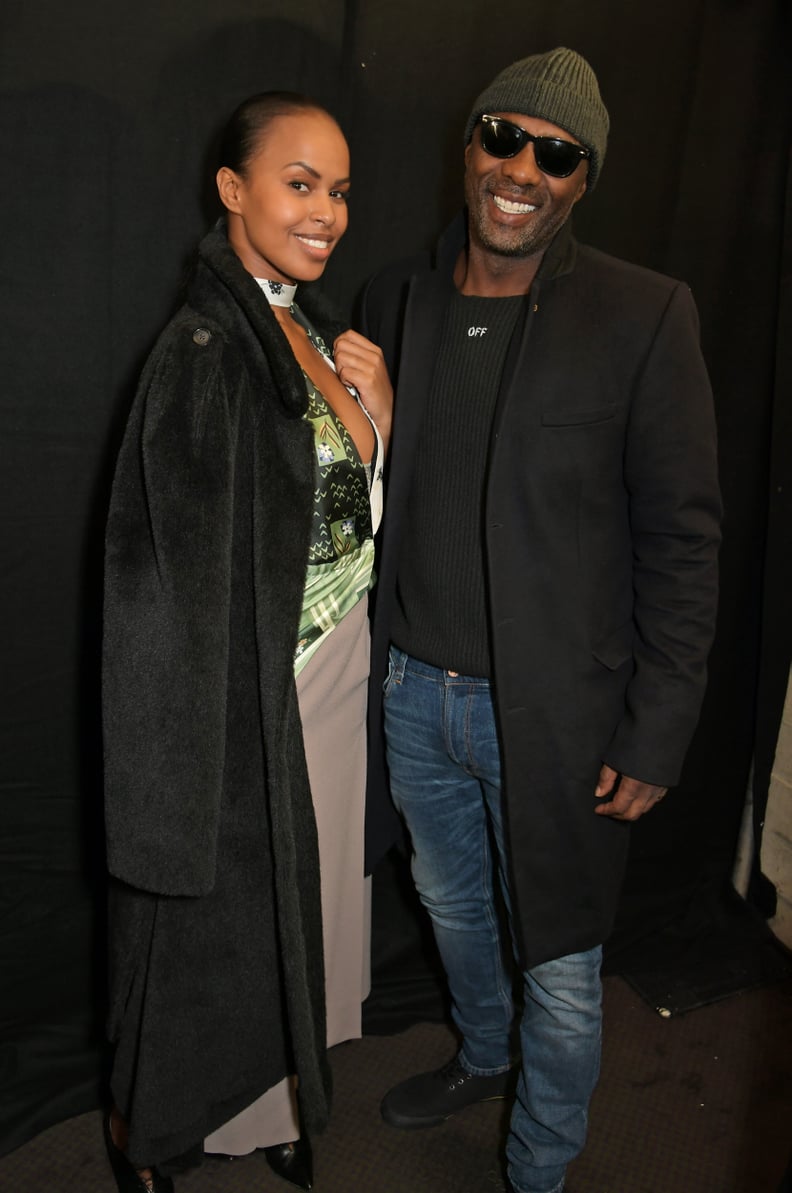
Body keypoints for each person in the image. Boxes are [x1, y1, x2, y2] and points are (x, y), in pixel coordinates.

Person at [360, 47, 721, 1193]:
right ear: (469, 146)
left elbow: (683, 537)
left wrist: (655, 727)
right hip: (416, 690)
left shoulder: (644, 314)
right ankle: (482, 1050)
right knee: (450, 905)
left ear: (582, 179)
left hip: (558, 714)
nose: (524, 169)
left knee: (562, 958)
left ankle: (541, 1167)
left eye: (556, 154)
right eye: (504, 138)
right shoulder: (395, 299)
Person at [101, 92, 392, 1193]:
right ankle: (156, 1126)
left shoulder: (310, 327)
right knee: (211, 930)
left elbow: (344, 513)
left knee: (294, 918)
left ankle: (269, 1100)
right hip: (244, 701)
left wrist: (384, 422)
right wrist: (177, 762)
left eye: (342, 189)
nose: (327, 211)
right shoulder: (205, 347)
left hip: (333, 675)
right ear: (234, 190)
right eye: (300, 182)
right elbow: (155, 582)